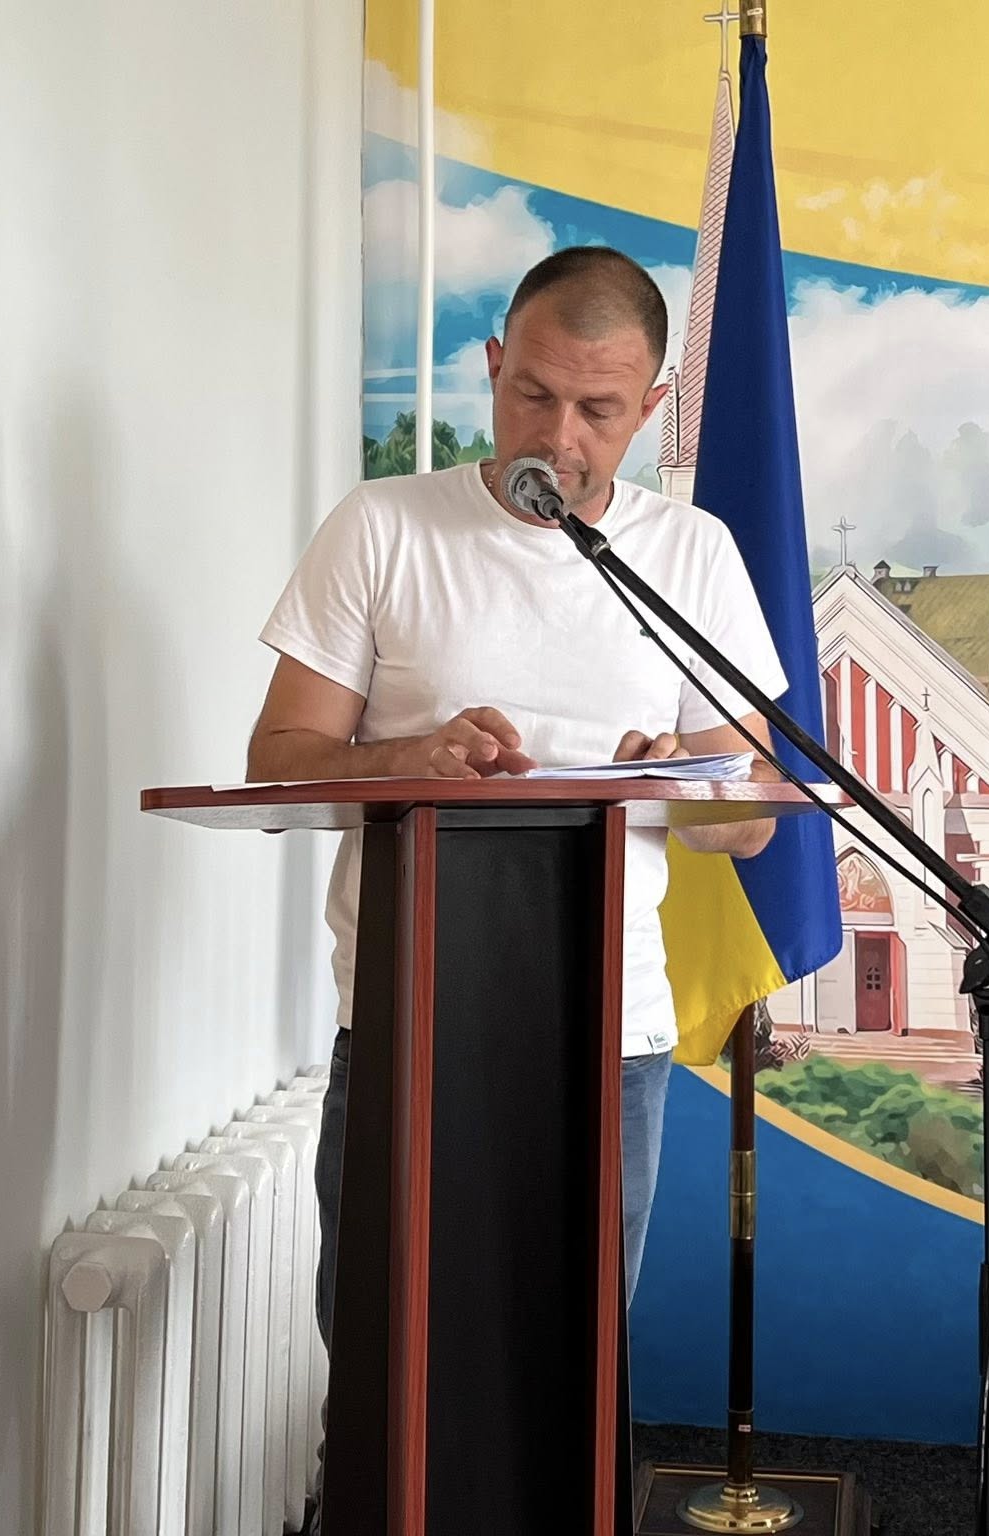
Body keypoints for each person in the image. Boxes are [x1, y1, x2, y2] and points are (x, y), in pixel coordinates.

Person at [248, 244, 787, 1525]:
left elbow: (748, 823)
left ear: (651, 407)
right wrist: (407, 760)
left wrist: (678, 780)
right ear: (491, 367)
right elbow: (277, 763)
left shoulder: (687, 554)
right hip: (407, 1025)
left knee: (565, 1376)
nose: (559, 437)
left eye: (599, 410)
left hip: (610, 1039)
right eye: (532, 395)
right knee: (380, 1363)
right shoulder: (383, 527)